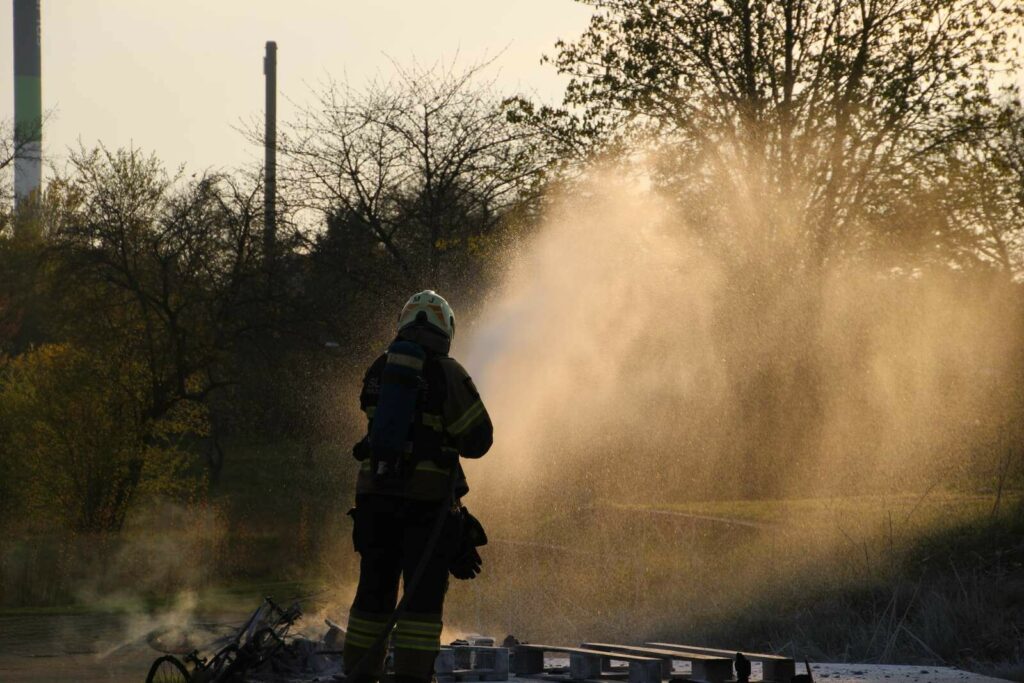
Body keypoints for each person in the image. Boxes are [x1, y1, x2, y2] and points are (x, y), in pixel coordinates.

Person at [342, 290, 493, 683]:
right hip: (425, 508)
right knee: (420, 606)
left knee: (373, 594)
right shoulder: (447, 372)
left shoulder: (379, 369)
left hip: (374, 503)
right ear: (446, 328)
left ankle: (359, 673)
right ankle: (412, 677)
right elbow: (479, 440)